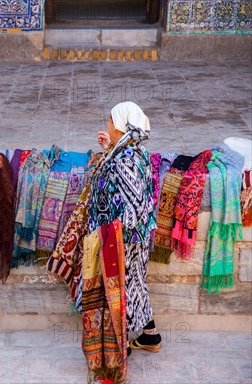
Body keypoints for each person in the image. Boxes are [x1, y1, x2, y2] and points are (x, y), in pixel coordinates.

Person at [91, 101, 162, 354]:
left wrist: (114, 235)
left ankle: (120, 348)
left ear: (119, 126)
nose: (107, 125)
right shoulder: (134, 150)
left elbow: (133, 204)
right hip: (134, 236)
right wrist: (109, 148)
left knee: (119, 288)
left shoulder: (126, 158)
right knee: (135, 285)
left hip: (125, 239)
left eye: (110, 121)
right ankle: (150, 335)